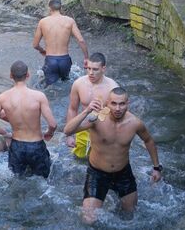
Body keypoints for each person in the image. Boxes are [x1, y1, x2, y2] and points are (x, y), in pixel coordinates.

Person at [64, 87, 162, 224]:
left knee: (130, 216)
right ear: (107, 103)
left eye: (122, 104)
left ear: (128, 103)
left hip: (123, 173)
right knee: (88, 220)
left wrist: (156, 168)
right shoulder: (96, 119)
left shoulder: (135, 123)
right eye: (114, 103)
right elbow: (67, 130)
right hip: (97, 174)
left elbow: (149, 141)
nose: (118, 108)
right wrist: (86, 111)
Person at [0, 60, 57, 178]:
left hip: (17, 146)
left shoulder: (2, 98)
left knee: (17, 179)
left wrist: (6, 133)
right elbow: (53, 124)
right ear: (28, 75)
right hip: (36, 145)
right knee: (43, 182)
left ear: (11, 76)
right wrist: (49, 133)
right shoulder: (39, 97)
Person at [65, 52, 118, 158]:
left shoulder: (112, 87)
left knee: (102, 163)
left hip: (103, 132)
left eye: (95, 69)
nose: (90, 73)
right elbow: (72, 109)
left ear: (103, 69)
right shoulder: (79, 84)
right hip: (83, 128)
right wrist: (69, 135)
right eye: (88, 68)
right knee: (79, 160)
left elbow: (119, 115)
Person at [32, 0, 89, 86]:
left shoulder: (43, 22)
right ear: (61, 8)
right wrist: (86, 58)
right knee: (67, 85)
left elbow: (35, 45)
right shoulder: (70, 21)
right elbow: (81, 40)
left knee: (50, 88)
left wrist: (42, 50)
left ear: (50, 8)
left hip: (50, 60)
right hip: (65, 60)